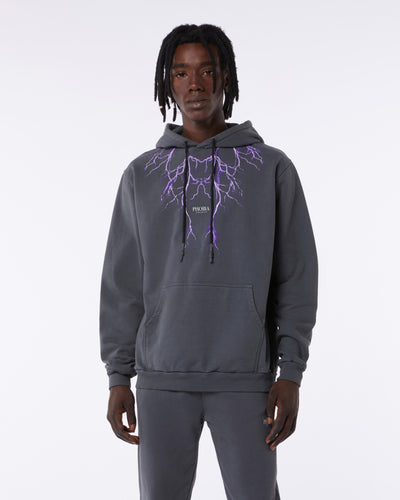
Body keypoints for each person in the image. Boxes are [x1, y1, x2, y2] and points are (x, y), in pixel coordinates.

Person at [99, 23, 318, 500]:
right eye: (181, 73)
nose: (194, 84)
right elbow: (121, 282)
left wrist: (291, 373)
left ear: (226, 77)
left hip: (245, 377)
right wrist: (118, 377)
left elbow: (297, 277)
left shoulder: (272, 168)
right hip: (161, 377)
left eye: (206, 70)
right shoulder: (141, 174)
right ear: (168, 82)